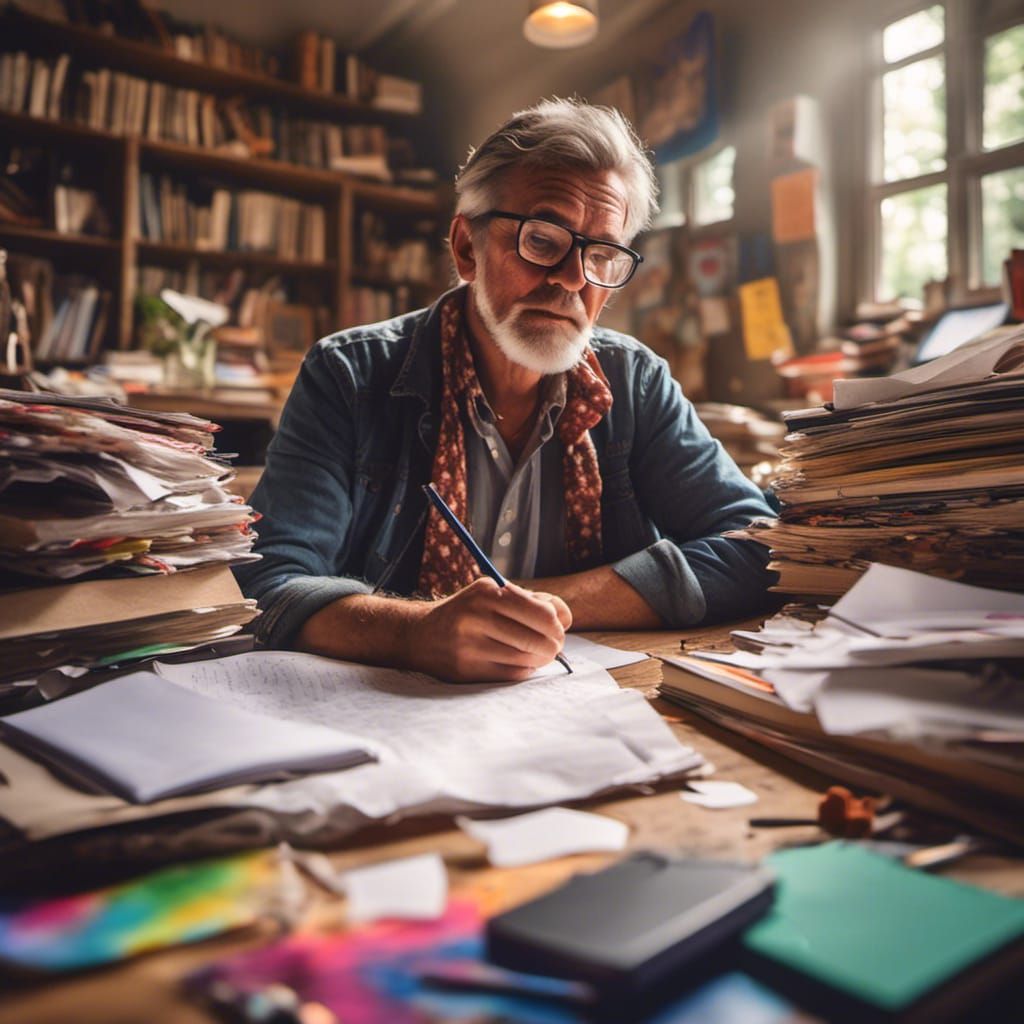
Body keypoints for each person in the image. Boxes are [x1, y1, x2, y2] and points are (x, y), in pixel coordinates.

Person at [235, 99, 776, 683]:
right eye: (542, 240)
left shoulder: (635, 383)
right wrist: (415, 632)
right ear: (467, 248)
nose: (572, 279)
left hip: (583, 701)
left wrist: (541, 605)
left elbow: (759, 545)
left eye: (601, 254)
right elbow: (267, 583)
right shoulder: (348, 374)